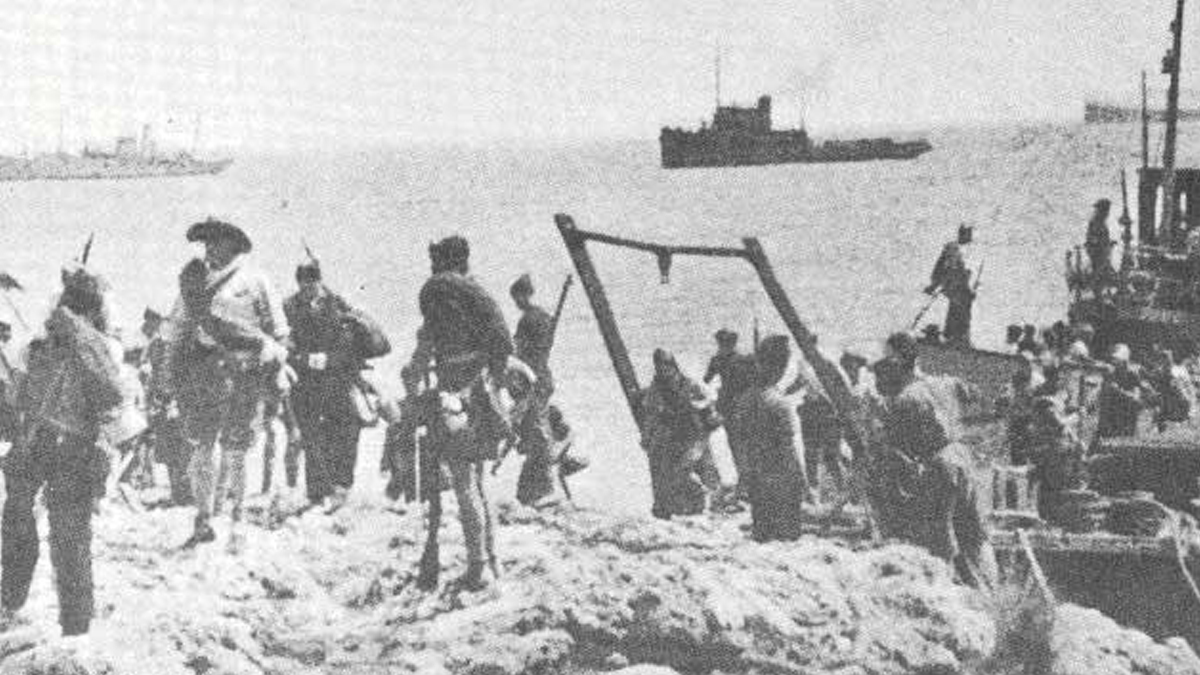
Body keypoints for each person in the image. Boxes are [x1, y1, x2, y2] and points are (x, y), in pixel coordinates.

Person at [2, 264, 123, 635]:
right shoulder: (47, 346)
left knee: (59, 533)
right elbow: (18, 391)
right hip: (47, 444)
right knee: (33, 526)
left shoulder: (90, 347)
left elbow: (110, 399)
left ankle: (66, 620)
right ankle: (23, 605)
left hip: (63, 447)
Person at [160, 217, 290, 549]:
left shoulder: (255, 280)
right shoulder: (195, 283)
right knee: (202, 447)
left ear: (233, 245)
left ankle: (238, 518)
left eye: (215, 242)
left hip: (245, 374)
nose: (209, 250)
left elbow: (279, 333)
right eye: (206, 243)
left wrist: (276, 365)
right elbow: (177, 330)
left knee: (236, 449)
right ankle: (204, 519)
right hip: (204, 373)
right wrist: (169, 374)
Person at [412, 235, 512, 590]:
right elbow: (503, 345)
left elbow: (422, 353)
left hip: (453, 396)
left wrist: (412, 382)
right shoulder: (477, 297)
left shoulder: (437, 298)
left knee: (463, 483)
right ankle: (493, 561)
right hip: (481, 395)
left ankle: (478, 567)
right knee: (478, 483)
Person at [872, 332, 995, 589]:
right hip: (962, 458)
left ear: (898, 363)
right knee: (975, 533)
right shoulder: (946, 383)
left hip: (940, 465)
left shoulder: (905, 399)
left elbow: (897, 450)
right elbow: (976, 393)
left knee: (940, 535)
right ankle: (990, 589)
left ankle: (943, 591)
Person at [285, 258, 389, 513]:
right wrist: (305, 359)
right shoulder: (290, 307)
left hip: (338, 380)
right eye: (304, 284)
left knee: (343, 434)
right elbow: (285, 343)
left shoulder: (337, 305)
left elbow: (351, 343)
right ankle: (318, 494)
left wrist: (329, 359)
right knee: (312, 437)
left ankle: (341, 488)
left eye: (312, 283)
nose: (308, 289)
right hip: (305, 382)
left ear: (319, 281)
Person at [731, 335, 810, 541]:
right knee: (788, 535)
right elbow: (788, 446)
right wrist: (802, 479)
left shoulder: (745, 399)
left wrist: (745, 474)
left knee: (763, 533)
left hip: (757, 474)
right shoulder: (779, 403)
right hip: (781, 475)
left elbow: (740, 440)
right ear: (781, 367)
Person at [641, 349, 719, 519]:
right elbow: (651, 414)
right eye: (659, 366)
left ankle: (713, 503)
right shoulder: (656, 388)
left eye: (666, 366)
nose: (663, 370)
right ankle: (669, 508)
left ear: (673, 366)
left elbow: (710, 400)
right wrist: (647, 436)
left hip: (695, 433)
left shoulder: (689, 383)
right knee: (670, 471)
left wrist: (704, 411)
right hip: (673, 435)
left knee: (706, 470)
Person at [509, 273, 561, 507]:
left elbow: (520, 349)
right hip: (539, 377)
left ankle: (544, 488)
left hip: (533, 379)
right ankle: (537, 488)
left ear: (525, 295)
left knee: (537, 430)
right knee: (535, 428)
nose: (517, 303)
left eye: (518, 297)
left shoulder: (529, 319)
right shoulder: (543, 317)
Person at [703, 328, 757, 496]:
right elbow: (756, 379)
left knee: (739, 444)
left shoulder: (720, 360)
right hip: (739, 407)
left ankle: (746, 481)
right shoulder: (744, 359)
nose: (722, 346)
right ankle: (746, 481)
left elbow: (706, 379)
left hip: (733, 407)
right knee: (742, 444)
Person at [1027, 397, 1087, 525]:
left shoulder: (1060, 427)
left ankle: (1054, 519)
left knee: (1058, 493)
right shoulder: (1046, 420)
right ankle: (1050, 519)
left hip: (1062, 465)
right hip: (1053, 465)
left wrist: (1077, 446)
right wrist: (1077, 416)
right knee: (1052, 493)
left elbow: (1068, 436)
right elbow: (1059, 425)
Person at [925, 225, 977, 345]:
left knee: (961, 311)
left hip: (961, 287)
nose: (970, 237)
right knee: (957, 310)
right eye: (967, 233)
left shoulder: (967, 250)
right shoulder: (953, 248)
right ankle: (954, 336)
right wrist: (936, 284)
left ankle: (959, 337)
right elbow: (944, 268)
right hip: (955, 286)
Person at [1097, 344, 1147, 439]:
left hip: (1126, 414)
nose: (1114, 362)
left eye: (1117, 360)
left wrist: (1119, 391)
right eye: (1113, 359)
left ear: (1124, 361)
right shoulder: (1111, 373)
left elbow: (1136, 398)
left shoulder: (1132, 374)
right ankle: (1104, 431)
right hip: (1112, 413)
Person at [1085, 198, 1114, 288]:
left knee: (1105, 270)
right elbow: (1092, 238)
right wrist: (1100, 243)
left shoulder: (1101, 222)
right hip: (1097, 252)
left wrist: (1108, 243)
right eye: (1106, 210)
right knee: (1099, 271)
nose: (1107, 213)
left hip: (1102, 251)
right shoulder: (1095, 222)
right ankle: (1096, 286)